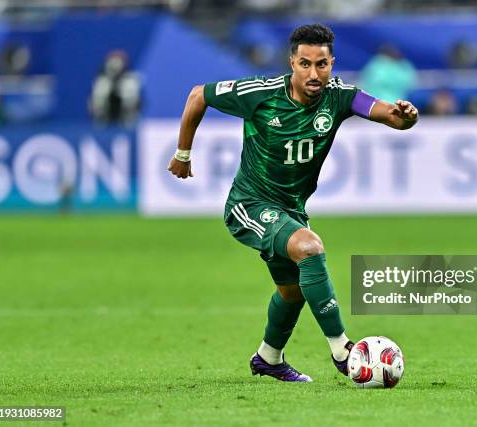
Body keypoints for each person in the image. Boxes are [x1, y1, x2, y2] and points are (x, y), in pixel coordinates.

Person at [168, 24, 418, 382]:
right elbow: (197, 95)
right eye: (305, 64)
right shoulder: (259, 93)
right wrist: (183, 154)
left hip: (290, 209)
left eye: (322, 64)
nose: (314, 73)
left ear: (332, 63)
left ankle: (268, 358)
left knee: (293, 292)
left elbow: (390, 115)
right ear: (292, 63)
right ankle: (342, 349)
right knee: (310, 249)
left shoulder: (343, 96)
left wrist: (407, 117)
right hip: (249, 204)